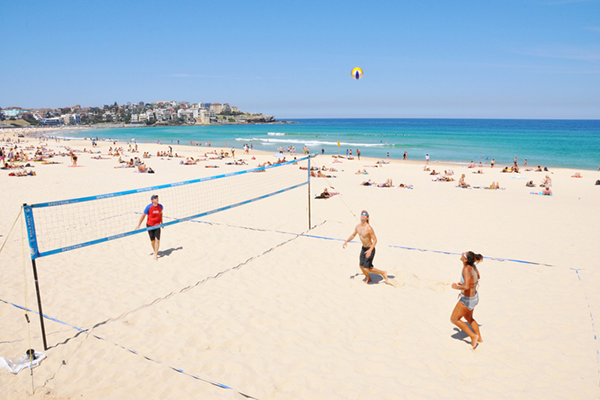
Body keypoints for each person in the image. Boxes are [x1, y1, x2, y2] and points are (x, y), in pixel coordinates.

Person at [343, 210, 389, 284]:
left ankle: (383, 272)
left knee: (367, 268)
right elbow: (353, 235)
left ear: (367, 218)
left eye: (365, 214)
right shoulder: (358, 226)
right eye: (362, 214)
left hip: (370, 248)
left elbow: (375, 240)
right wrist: (346, 241)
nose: (363, 215)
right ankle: (368, 278)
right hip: (363, 248)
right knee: (361, 266)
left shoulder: (369, 228)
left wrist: (370, 250)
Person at [450, 251, 484, 349]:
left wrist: (456, 287)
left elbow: (466, 287)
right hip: (474, 297)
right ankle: (479, 339)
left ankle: (473, 336)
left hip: (467, 299)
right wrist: (466, 282)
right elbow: (477, 277)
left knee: (454, 319)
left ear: (465, 259)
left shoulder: (466, 269)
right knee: (469, 318)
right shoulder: (473, 266)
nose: (461, 253)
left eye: (463, 254)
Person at [136, 195, 163, 261]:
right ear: (152, 200)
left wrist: (162, 223)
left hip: (157, 225)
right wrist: (139, 225)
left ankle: (155, 255)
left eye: (157, 198)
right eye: (155, 198)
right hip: (150, 225)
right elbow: (143, 216)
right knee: (152, 241)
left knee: (157, 240)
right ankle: (155, 251)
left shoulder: (160, 206)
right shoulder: (148, 207)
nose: (157, 199)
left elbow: (161, 214)